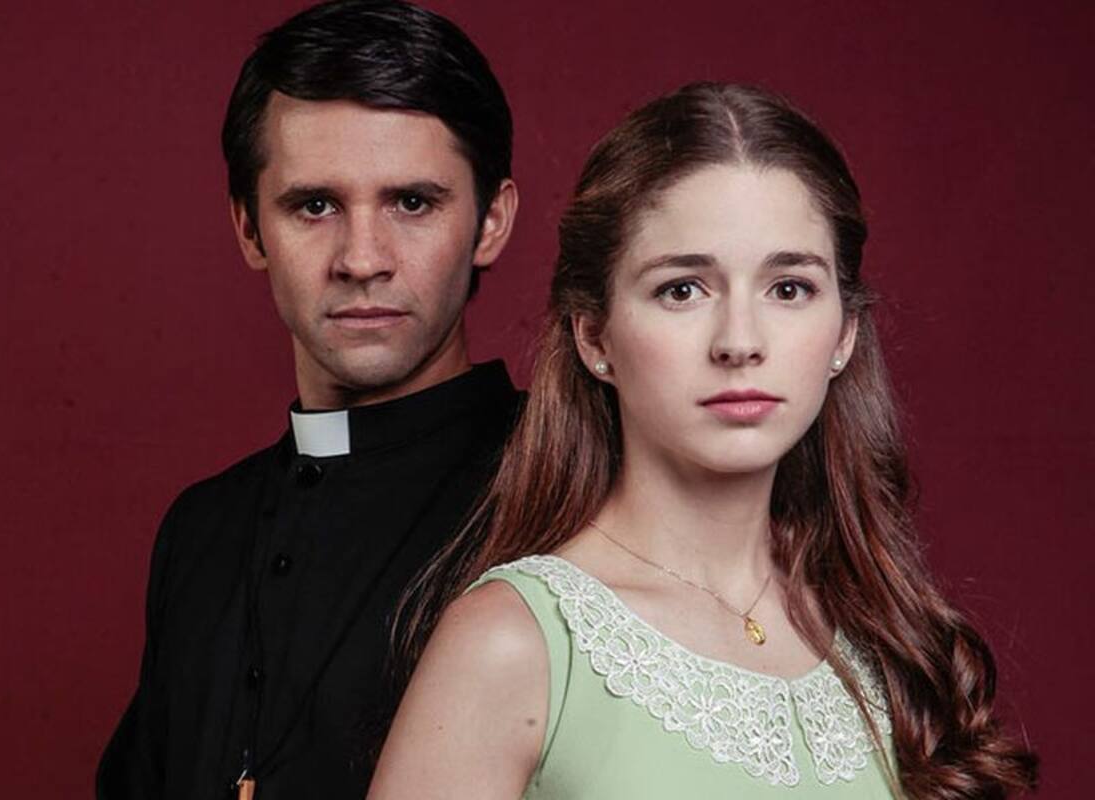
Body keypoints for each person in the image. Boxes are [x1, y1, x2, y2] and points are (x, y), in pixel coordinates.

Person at [369, 83, 1038, 799]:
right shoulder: (513, 643)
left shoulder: (887, 638)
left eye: (789, 288)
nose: (740, 342)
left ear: (844, 332)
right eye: (683, 289)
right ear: (594, 336)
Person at [96, 1, 521, 798]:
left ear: (491, 221)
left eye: (412, 202)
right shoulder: (202, 529)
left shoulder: (578, 483)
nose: (361, 259)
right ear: (249, 229)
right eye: (315, 205)